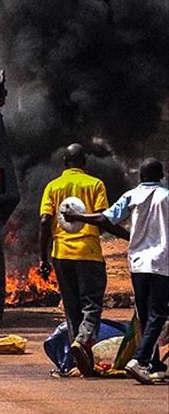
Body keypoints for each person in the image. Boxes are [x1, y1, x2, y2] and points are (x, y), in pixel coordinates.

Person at [64, 158, 168, 384]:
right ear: (161, 176)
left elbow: (104, 218)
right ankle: (140, 361)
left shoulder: (131, 196)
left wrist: (77, 217)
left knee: (144, 315)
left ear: (140, 176)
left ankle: (154, 365)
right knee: (158, 314)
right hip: (162, 263)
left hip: (138, 263)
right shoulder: (166, 196)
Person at [38, 143, 126, 377]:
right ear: (85, 163)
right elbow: (103, 219)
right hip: (88, 254)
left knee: (71, 307)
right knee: (91, 304)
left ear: (65, 163)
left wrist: (43, 258)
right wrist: (128, 236)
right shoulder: (95, 184)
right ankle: (83, 340)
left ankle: (77, 360)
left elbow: (45, 222)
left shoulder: (53, 186)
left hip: (61, 254)